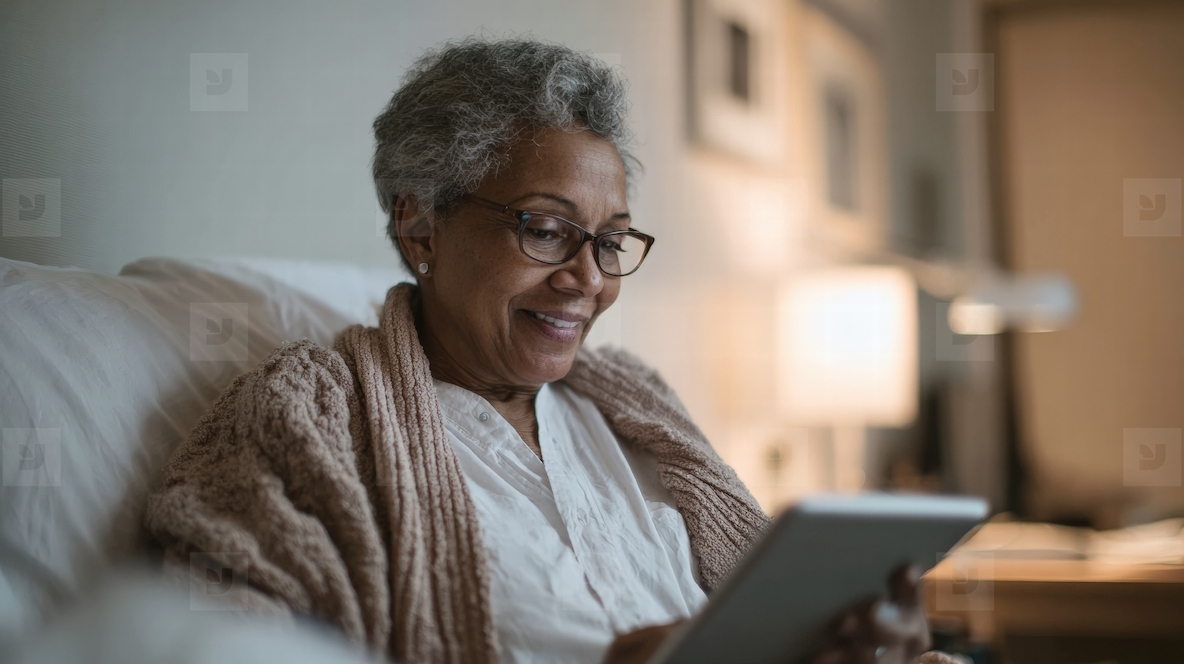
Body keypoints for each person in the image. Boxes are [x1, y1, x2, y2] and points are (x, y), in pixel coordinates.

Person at [145, 38, 953, 664]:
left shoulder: (632, 404)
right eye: (545, 229)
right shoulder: (305, 416)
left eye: (608, 241)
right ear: (419, 224)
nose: (587, 280)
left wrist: (873, 642)